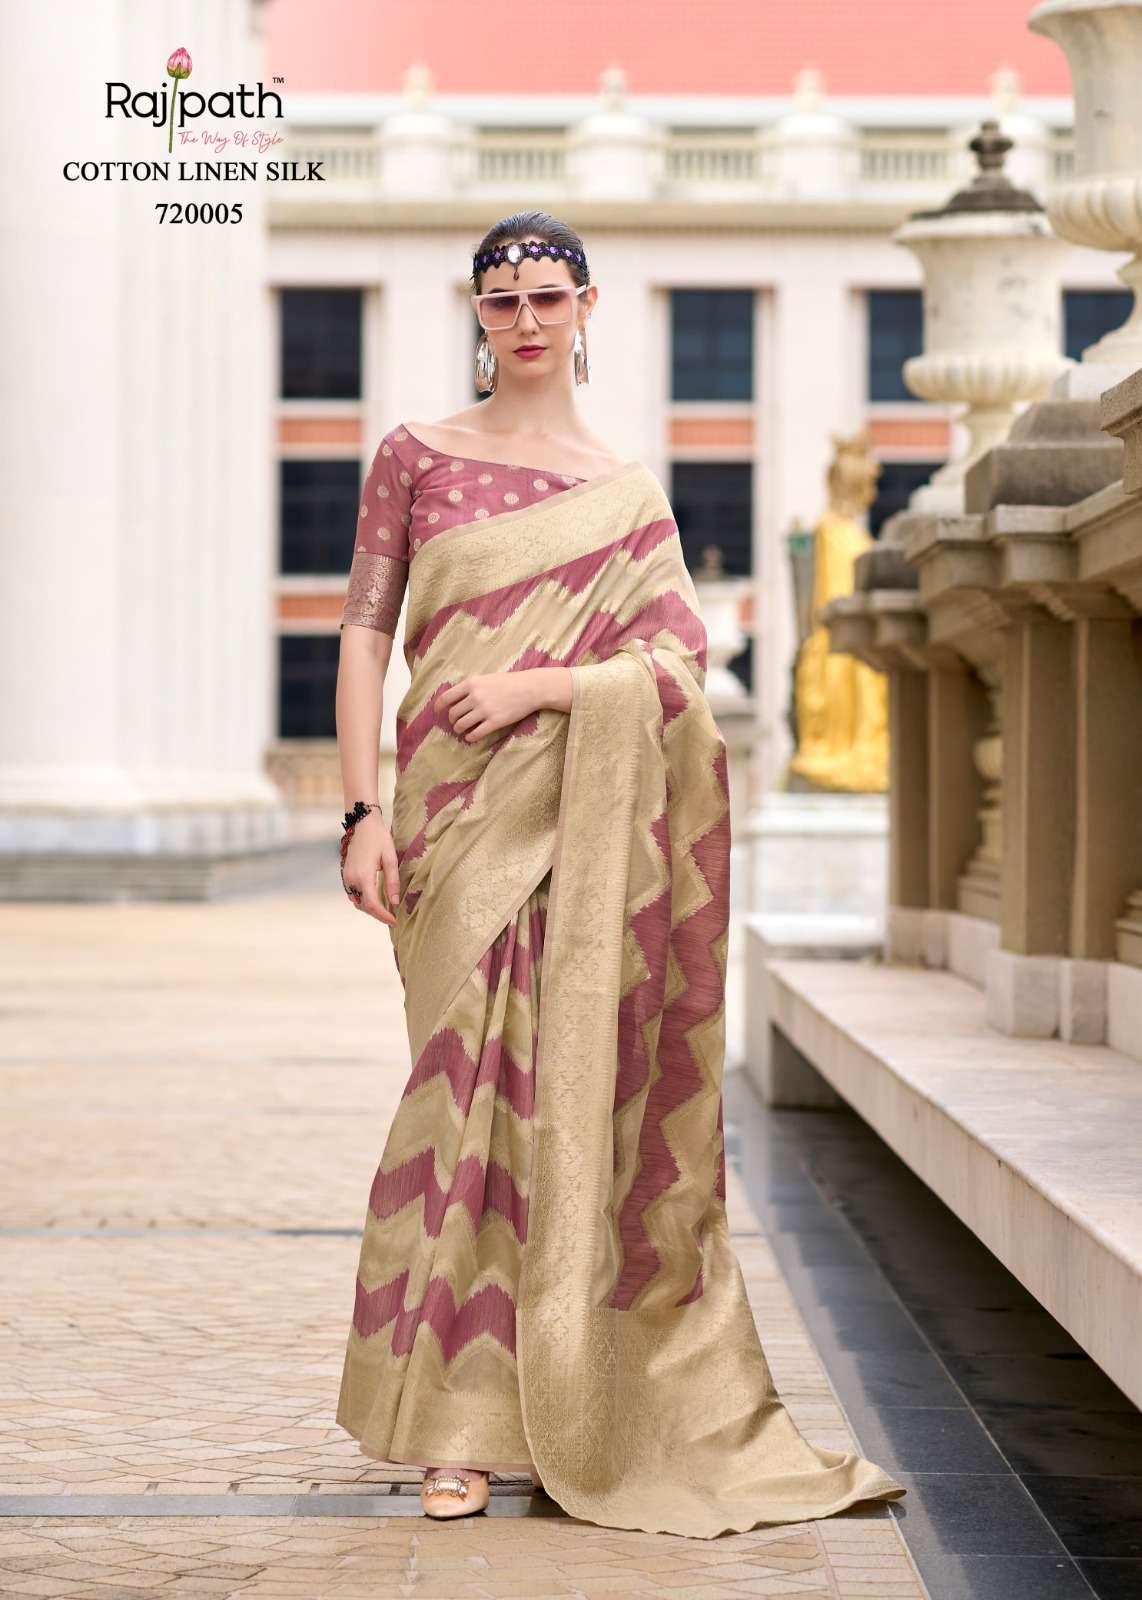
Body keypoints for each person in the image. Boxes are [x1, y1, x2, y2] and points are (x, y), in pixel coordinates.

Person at [333, 210, 905, 1538]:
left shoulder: (627, 493)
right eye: (501, 300)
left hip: (574, 829)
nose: (525, 319)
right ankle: (453, 1418)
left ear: (587, 308)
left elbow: (675, 673)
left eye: (547, 296)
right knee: (456, 1111)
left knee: (558, 1116)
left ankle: (541, 1413)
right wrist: (361, 811)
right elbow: (363, 636)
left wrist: (539, 687)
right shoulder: (415, 455)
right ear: (477, 316)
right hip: (450, 824)